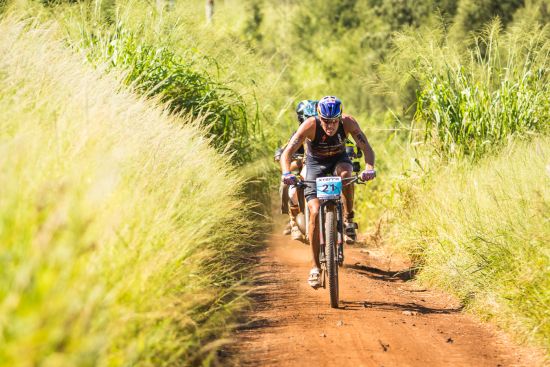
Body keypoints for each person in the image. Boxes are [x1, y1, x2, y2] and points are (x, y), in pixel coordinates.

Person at [280, 96, 376, 288]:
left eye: (334, 121)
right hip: (315, 165)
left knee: (347, 173)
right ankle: (315, 268)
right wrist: (286, 172)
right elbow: (287, 152)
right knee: (314, 212)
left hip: (338, 161)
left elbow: (366, 148)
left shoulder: (348, 122)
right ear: (319, 117)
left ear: (340, 118)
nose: (330, 126)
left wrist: (369, 167)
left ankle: (349, 219)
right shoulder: (309, 125)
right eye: (326, 121)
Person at [274, 100, 318, 240]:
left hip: (323, 168)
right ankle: (293, 221)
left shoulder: (326, 130)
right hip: (305, 168)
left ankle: (343, 216)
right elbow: (286, 149)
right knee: (289, 186)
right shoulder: (298, 133)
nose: (310, 123)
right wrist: (282, 155)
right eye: (306, 119)